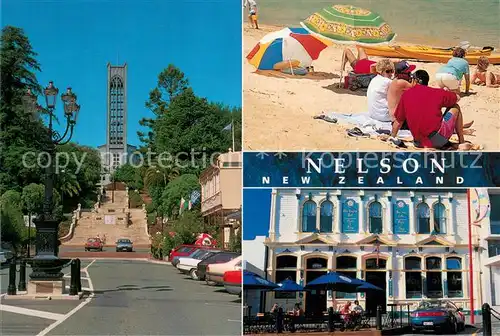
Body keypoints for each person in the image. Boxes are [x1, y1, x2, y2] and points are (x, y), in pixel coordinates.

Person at [391, 70, 471, 150]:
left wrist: (392, 136)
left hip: (418, 143)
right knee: (455, 107)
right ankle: (461, 141)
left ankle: (449, 144)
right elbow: (457, 98)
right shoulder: (437, 92)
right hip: (438, 139)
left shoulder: (406, 95)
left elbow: (399, 121)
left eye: (411, 79)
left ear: (415, 80)